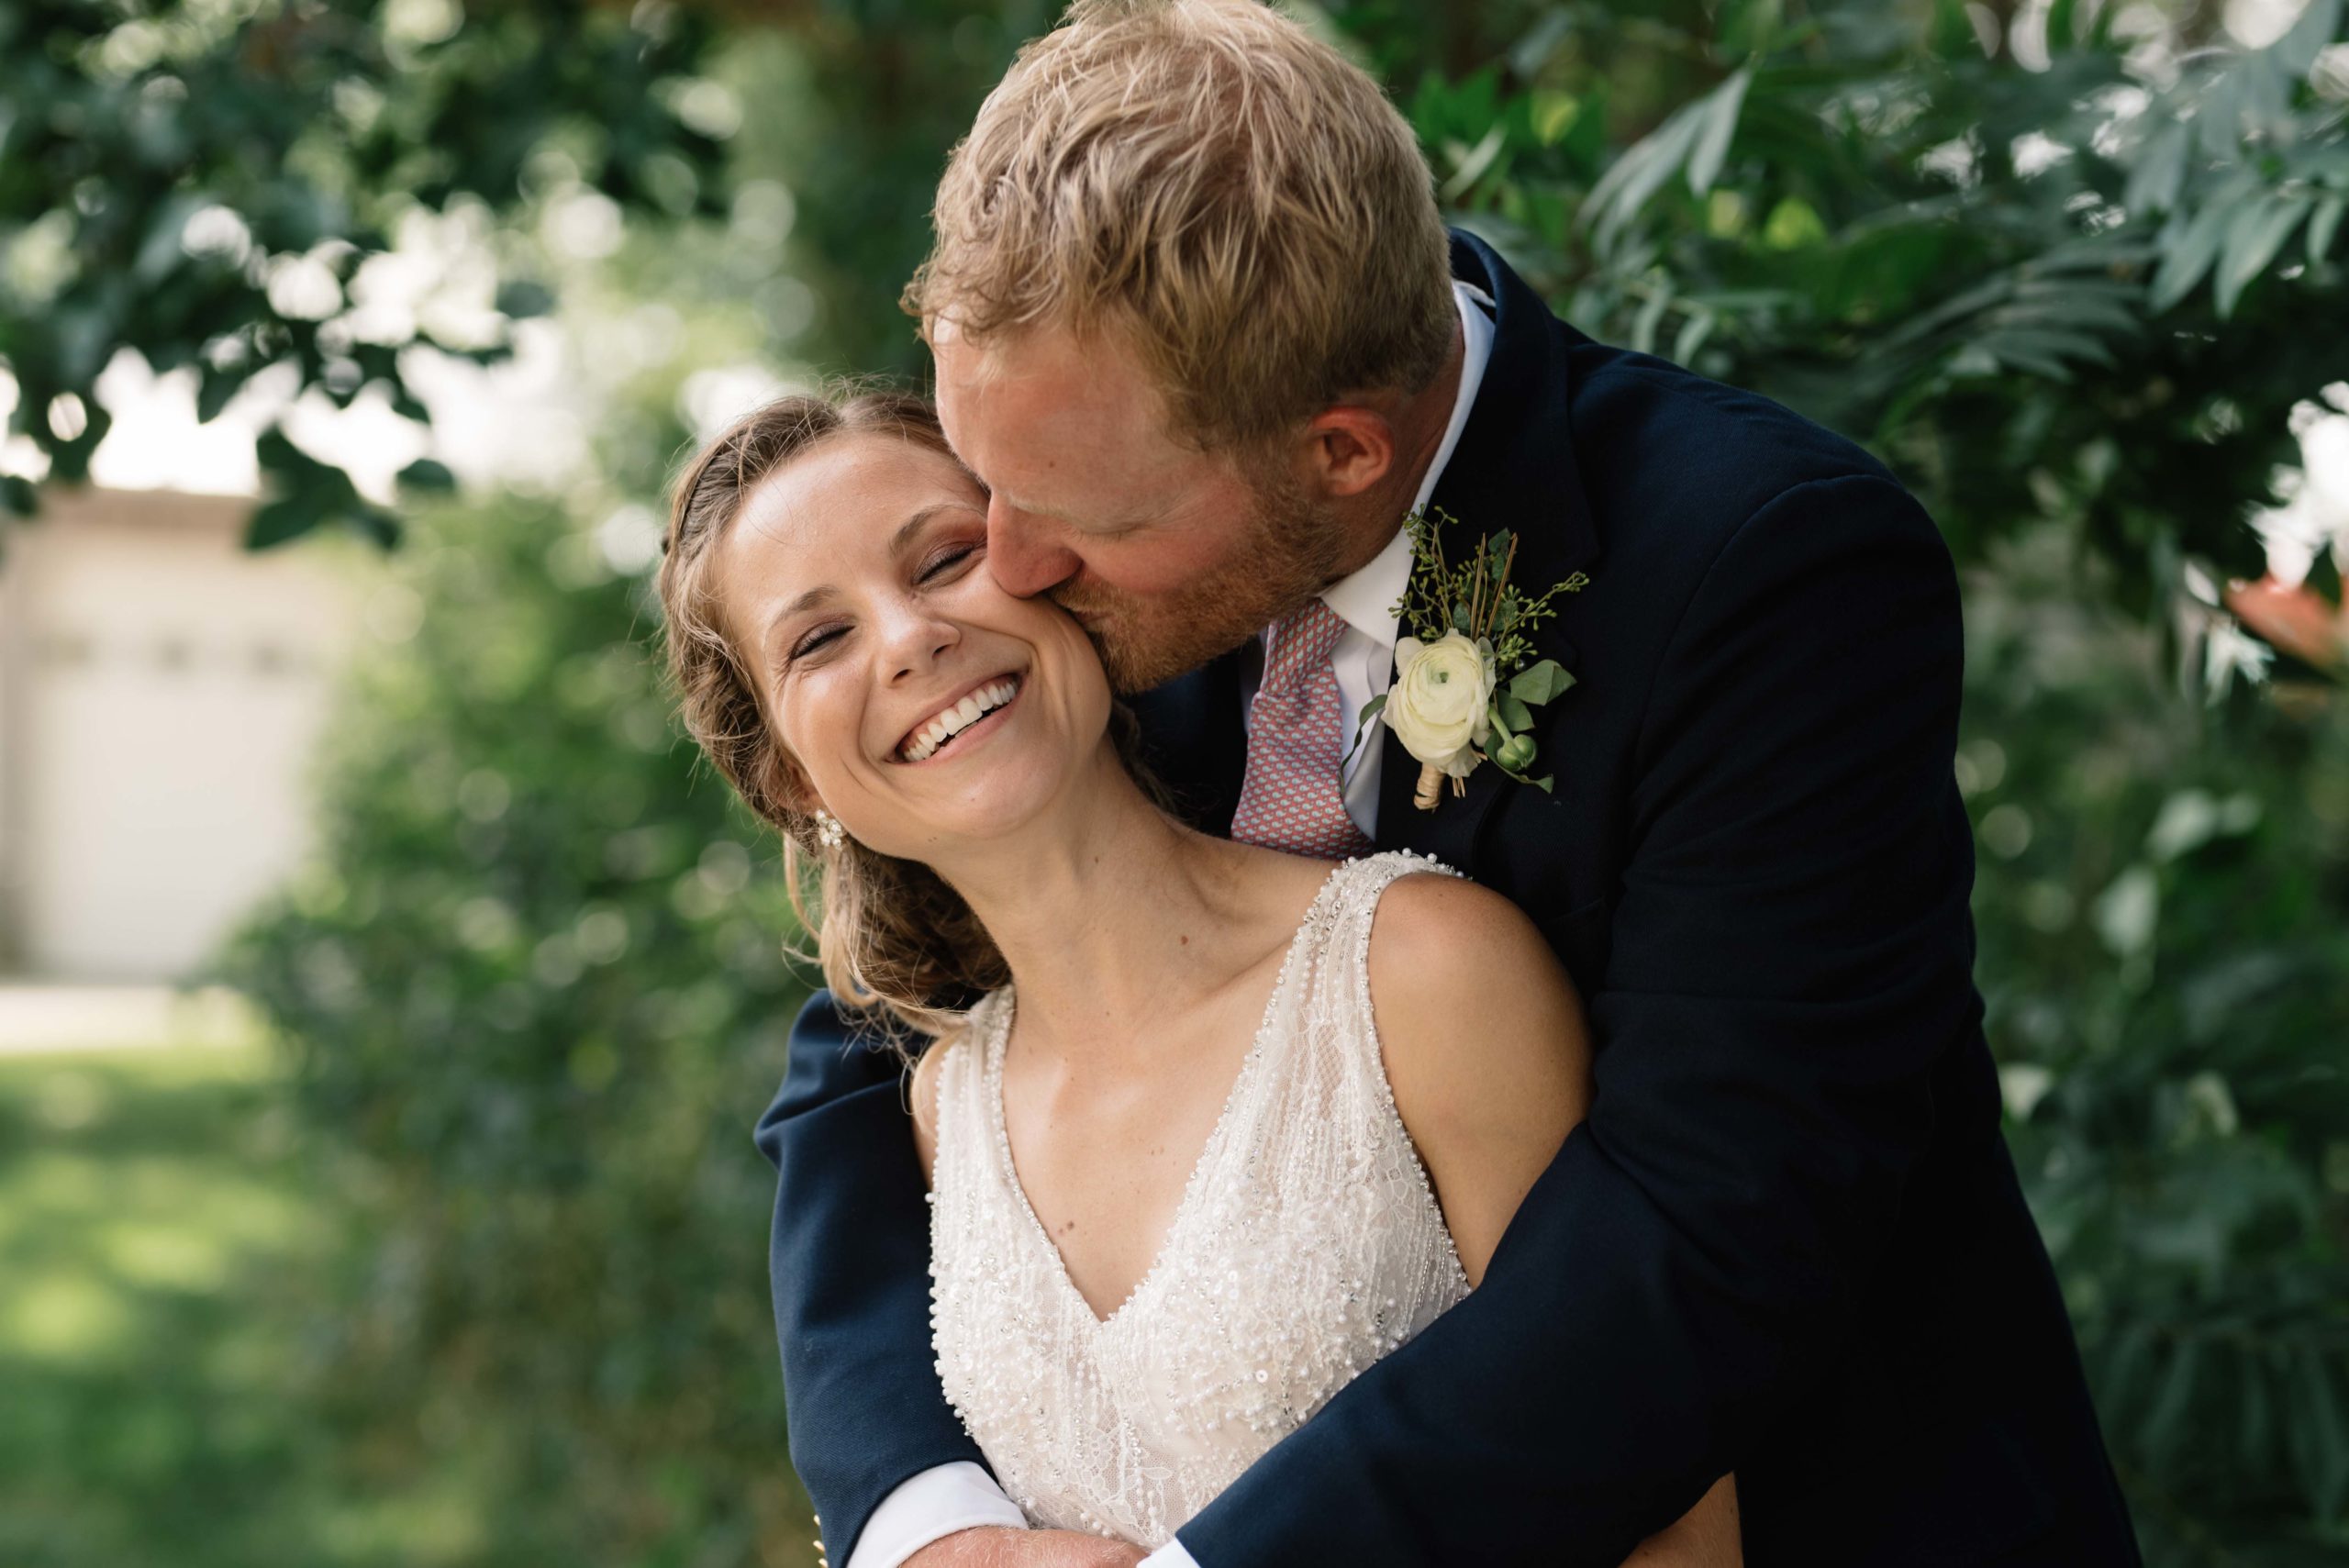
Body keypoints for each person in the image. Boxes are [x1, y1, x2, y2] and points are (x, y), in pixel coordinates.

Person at [743, 3, 2142, 1565]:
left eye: (1071, 518)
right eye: (980, 477)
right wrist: (924, 1525)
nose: (1007, 562)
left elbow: (1707, 1233)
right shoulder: (1095, 500)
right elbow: (877, 1025)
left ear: (1338, 451)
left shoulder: (1766, 574)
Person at [658, 390, 1743, 1564]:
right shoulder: (933, 1112)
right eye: (820, 639)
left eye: (945, 557)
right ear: (786, 776)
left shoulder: (1421, 975)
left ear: (1060, 566)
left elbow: (1671, 1527)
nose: (909, 635)